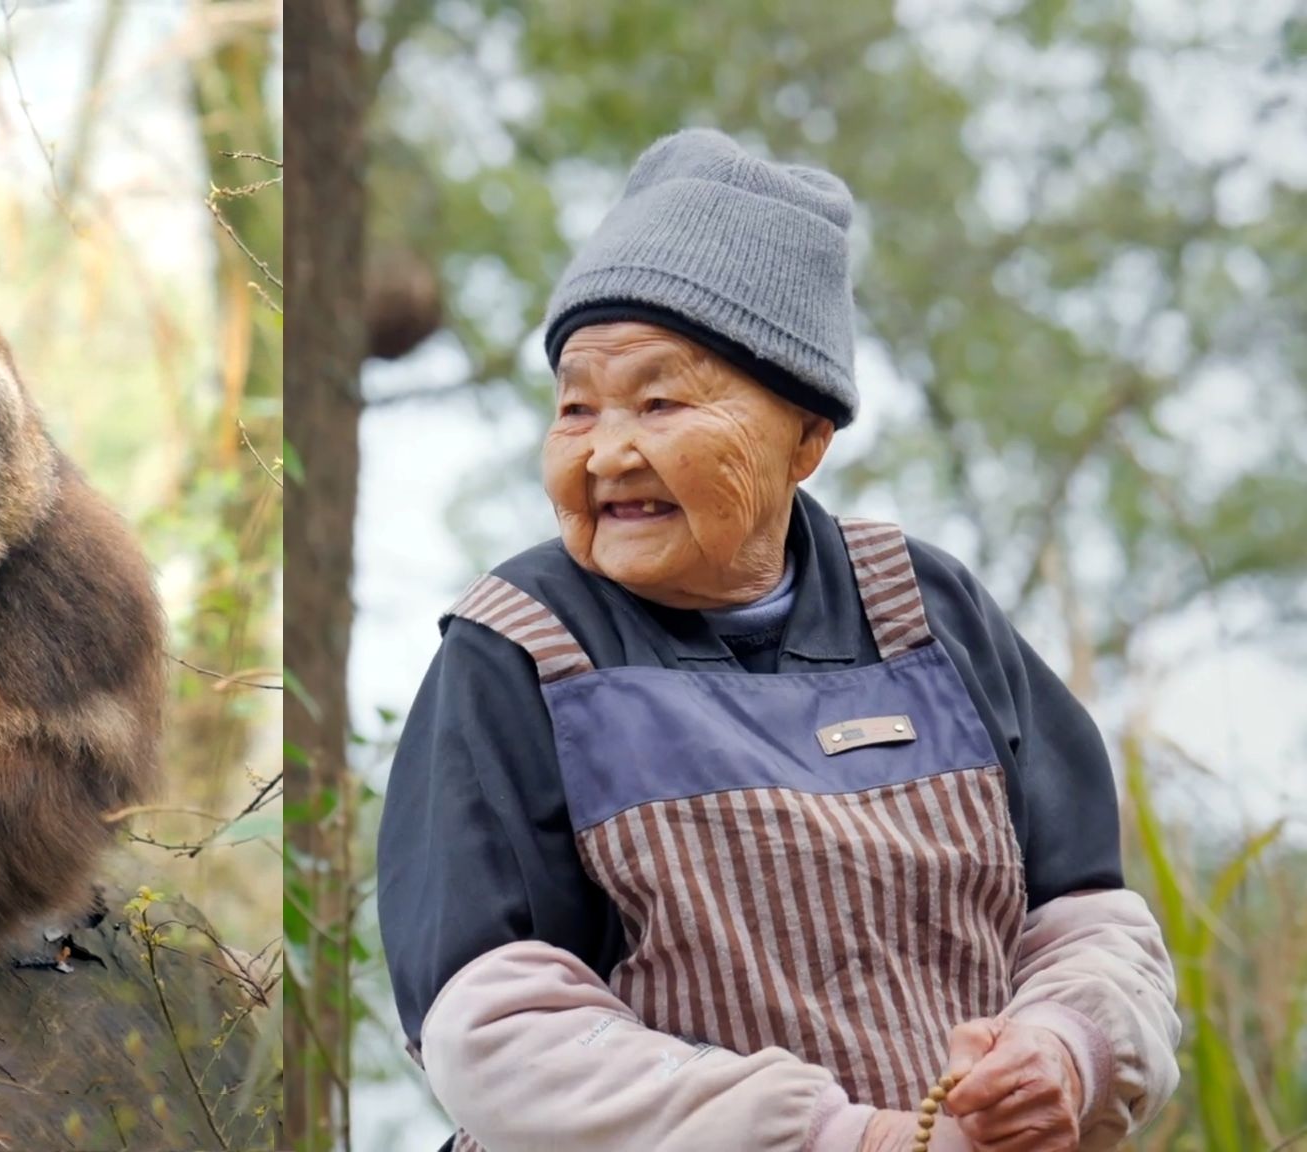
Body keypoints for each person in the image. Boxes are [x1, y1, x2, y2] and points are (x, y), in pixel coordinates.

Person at [377, 127, 1180, 1152]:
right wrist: (841, 1139)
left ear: (806, 435)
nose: (607, 451)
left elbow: (1089, 922)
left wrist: (1065, 1046)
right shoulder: (520, 644)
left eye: (659, 402)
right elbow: (490, 1030)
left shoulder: (931, 611)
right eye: (575, 407)